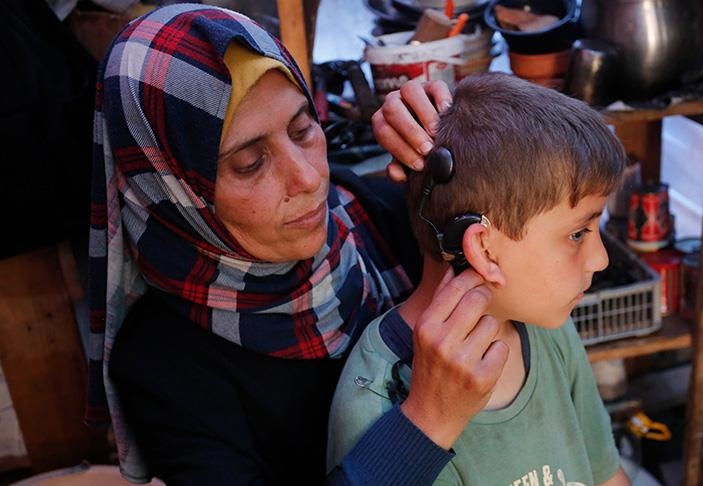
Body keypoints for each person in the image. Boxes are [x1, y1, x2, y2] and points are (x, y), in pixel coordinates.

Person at [87, 4, 507, 484]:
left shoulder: (379, 217)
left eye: (303, 129)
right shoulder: (165, 371)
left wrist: (461, 149)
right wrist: (427, 423)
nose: (307, 179)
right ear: (176, 189)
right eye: (250, 163)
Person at [327, 73, 632, 485]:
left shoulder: (549, 330)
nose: (600, 259)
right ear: (484, 249)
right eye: (577, 234)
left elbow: (605, 475)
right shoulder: (378, 399)